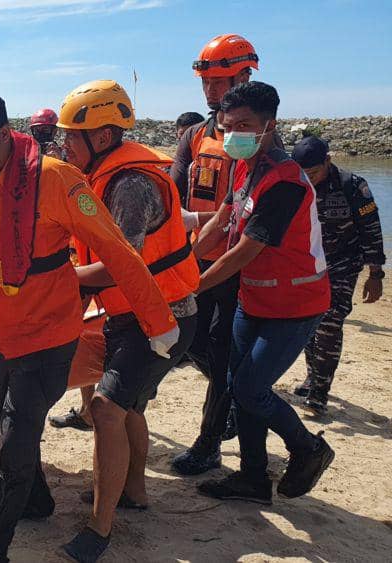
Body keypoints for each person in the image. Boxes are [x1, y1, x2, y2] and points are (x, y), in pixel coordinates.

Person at [0, 87, 179, 563]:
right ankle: (37, 502)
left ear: (5, 135)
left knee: (13, 445)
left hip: (47, 338)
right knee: (9, 424)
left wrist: (158, 319)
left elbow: (117, 251)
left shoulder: (55, 179)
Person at [55, 80, 199, 563]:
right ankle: (134, 492)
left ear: (102, 136)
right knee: (132, 408)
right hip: (136, 316)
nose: (64, 145)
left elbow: (124, 263)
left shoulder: (130, 185)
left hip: (161, 319)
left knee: (106, 411)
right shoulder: (108, 177)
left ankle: (100, 527)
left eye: (72, 136)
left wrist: (60, 278)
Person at [193, 81, 334, 506]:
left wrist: (188, 288)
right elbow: (221, 219)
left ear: (269, 125)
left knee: (252, 388)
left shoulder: (285, 180)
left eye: (243, 124)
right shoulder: (243, 166)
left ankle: (308, 448)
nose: (232, 131)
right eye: (226, 124)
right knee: (238, 386)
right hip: (253, 300)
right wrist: (183, 262)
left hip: (295, 306)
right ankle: (253, 478)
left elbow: (244, 251)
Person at [169, 34, 262, 476]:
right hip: (197, 256)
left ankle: (208, 444)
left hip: (238, 263)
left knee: (224, 351)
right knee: (191, 342)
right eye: (206, 81)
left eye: (220, 80)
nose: (211, 90)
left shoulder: (255, 138)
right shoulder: (194, 135)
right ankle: (225, 401)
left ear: (244, 75)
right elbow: (173, 193)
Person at [292, 136, 385, 413]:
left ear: (328, 161)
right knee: (308, 323)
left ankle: (320, 392)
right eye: (304, 174)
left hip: (343, 265)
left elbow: (371, 229)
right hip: (308, 266)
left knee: (330, 323)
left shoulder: (352, 186)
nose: (310, 179)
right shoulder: (295, 186)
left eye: (315, 173)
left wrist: (376, 273)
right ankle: (313, 376)